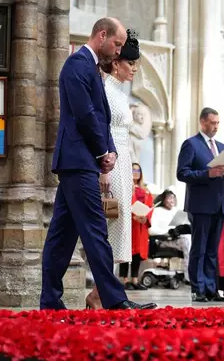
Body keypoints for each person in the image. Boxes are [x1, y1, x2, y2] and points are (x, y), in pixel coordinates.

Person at [40, 17, 156, 310]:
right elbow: (85, 114)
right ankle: (115, 300)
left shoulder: (89, 67)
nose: (118, 51)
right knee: (95, 230)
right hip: (78, 160)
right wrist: (103, 151)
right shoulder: (77, 65)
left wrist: (110, 151)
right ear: (101, 36)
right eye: (116, 44)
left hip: (79, 161)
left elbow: (100, 116)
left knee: (62, 237)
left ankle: (50, 302)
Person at [82, 29, 140, 309]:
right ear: (116, 63)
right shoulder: (103, 87)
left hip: (123, 161)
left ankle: (99, 292)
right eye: (130, 64)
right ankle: (100, 291)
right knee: (109, 222)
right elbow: (101, 129)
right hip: (110, 163)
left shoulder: (118, 91)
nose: (134, 69)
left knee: (118, 223)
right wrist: (103, 169)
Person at [176, 108, 224, 302]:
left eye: (218, 123)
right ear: (202, 122)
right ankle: (198, 289)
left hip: (219, 204)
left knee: (213, 250)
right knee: (199, 249)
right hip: (200, 205)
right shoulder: (191, 144)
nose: (216, 127)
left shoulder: (222, 147)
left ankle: (212, 288)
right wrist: (206, 174)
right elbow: (182, 173)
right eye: (212, 123)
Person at [120, 163, 153, 290]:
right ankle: (124, 280)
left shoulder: (146, 190)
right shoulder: (126, 187)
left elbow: (150, 206)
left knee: (138, 253)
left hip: (141, 226)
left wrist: (146, 218)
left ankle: (134, 279)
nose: (136, 172)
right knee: (126, 251)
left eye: (138, 170)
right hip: (129, 225)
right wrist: (132, 216)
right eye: (133, 170)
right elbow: (123, 204)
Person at [147, 189, 192, 282]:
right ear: (163, 199)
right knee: (186, 241)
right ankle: (189, 277)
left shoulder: (177, 211)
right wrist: (167, 232)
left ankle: (194, 273)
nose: (172, 200)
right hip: (162, 240)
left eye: (173, 198)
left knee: (191, 238)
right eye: (169, 198)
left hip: (177, 238)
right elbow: (151, 230)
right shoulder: (157, 211)